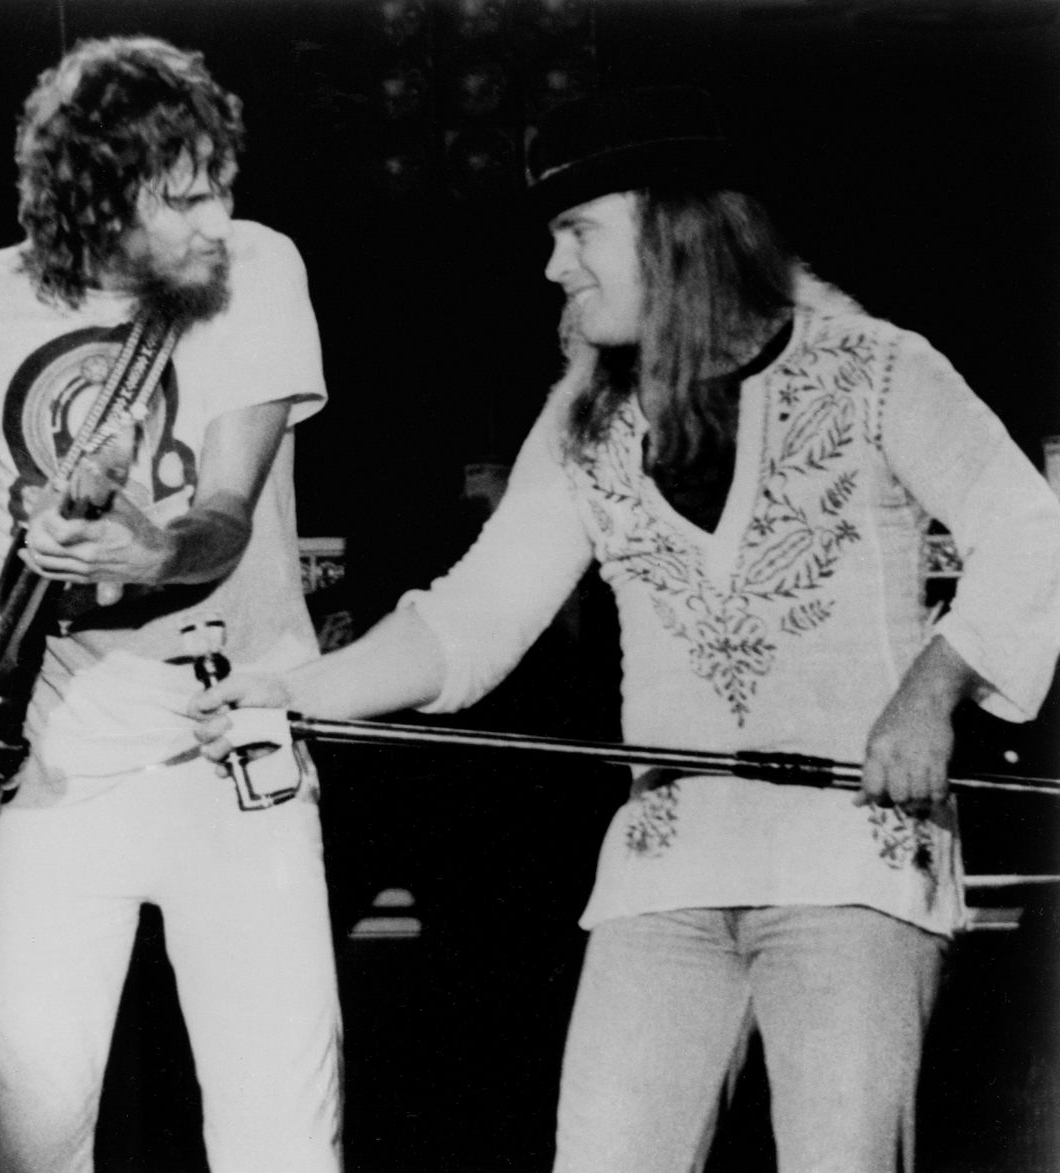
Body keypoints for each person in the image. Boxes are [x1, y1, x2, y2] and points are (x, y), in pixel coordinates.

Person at [192, 86, 1060, 1171]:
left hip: (853, 860)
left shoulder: (879, 369)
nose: (553, 268)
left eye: (575, 232)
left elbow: (1033, 534)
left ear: (671, 228)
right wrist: (295, 692)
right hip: (665, 866)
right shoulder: (582, 419)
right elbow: (472, 621)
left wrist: (929, 694)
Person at [0, 36, 341, 1173]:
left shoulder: (257, 270)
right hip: (55, 770)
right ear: (95, 195)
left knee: (279, 1140)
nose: (214, 219)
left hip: (236, 761)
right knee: (27, 1135)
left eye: (219, 185)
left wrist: (145, 551)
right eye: (183, 197)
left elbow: (224, 515)